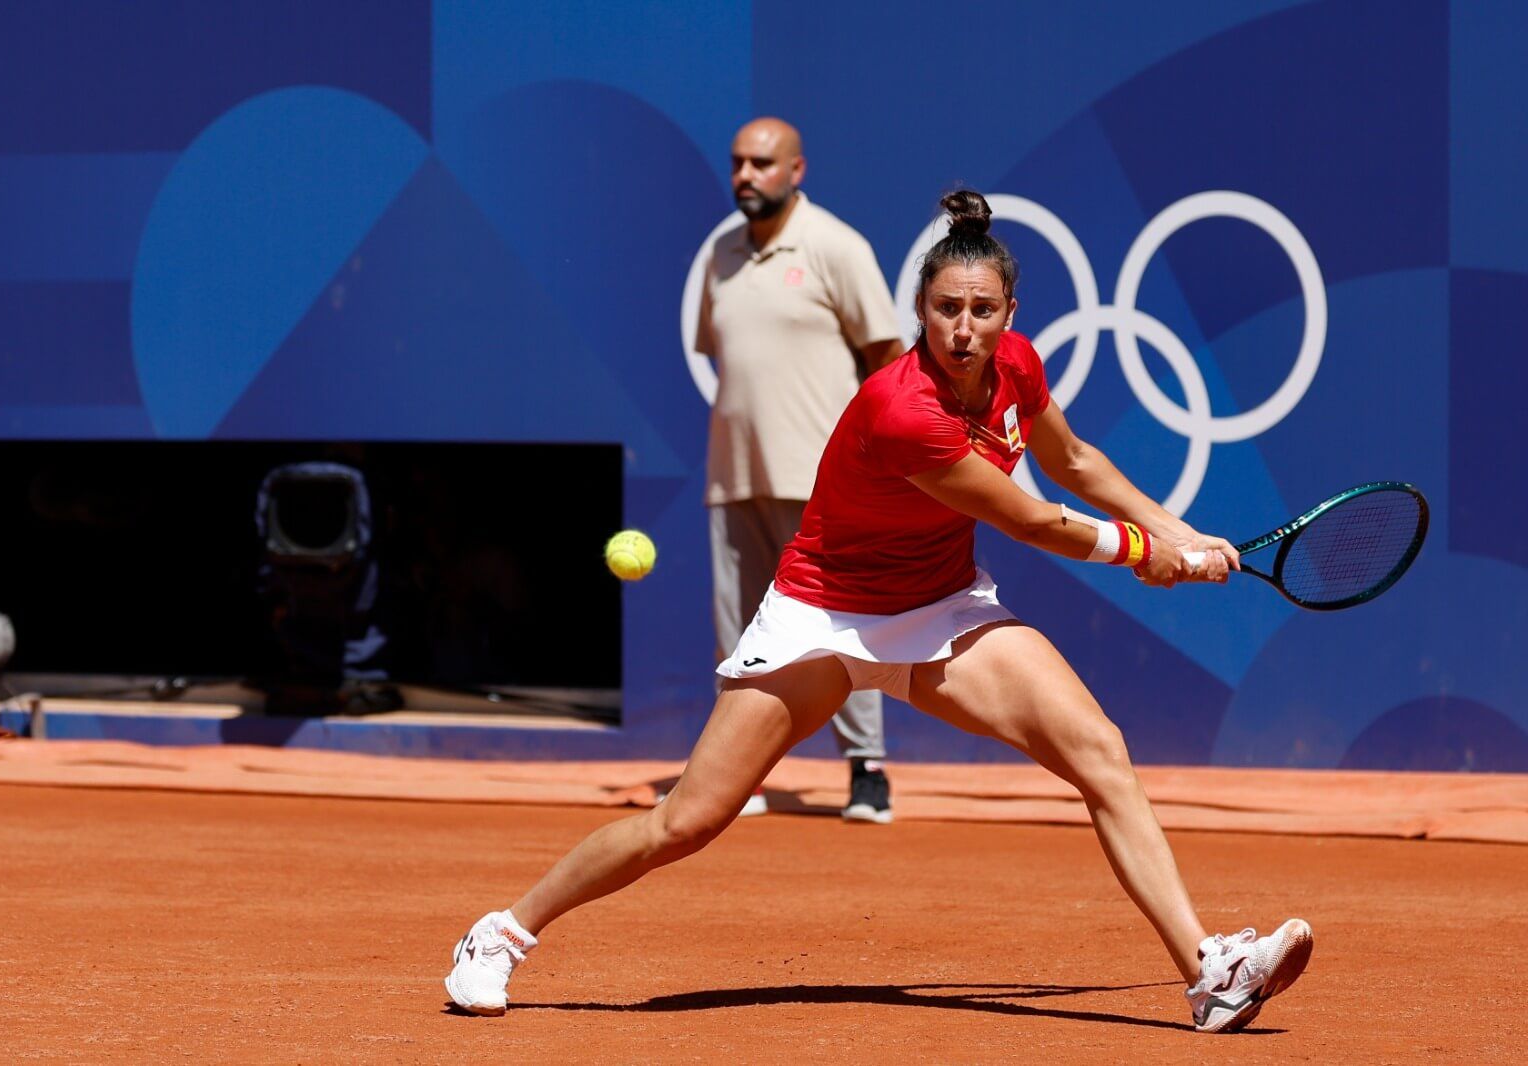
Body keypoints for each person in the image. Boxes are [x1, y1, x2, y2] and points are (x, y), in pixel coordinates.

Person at [447, 190, 1313, 1034]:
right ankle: (500, 934)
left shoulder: (1015, 365)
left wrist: (1181, 531)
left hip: (938, 609)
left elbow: (1076, 461)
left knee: (1098, 752)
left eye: (981, 309)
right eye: (945, 310)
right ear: (919, 311)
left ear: (1011, 309)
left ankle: (1208, 972)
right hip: (822, 616)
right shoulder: (902, 410)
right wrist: (1142, 555)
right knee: (688, 821)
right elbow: (1028, 517)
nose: (964, 329)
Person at [695, 116, 904, 821]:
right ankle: (740, 774)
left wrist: (877, 454)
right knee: (742, 633)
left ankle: (866, 770)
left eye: (761, 163)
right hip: (733, 473)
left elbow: (885, 356)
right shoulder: (718, 253)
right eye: (737, 164)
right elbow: (719, 351)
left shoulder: (836, 247)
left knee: (845, 626)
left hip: (823, 478)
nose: (746, 176)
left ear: (796, 170)